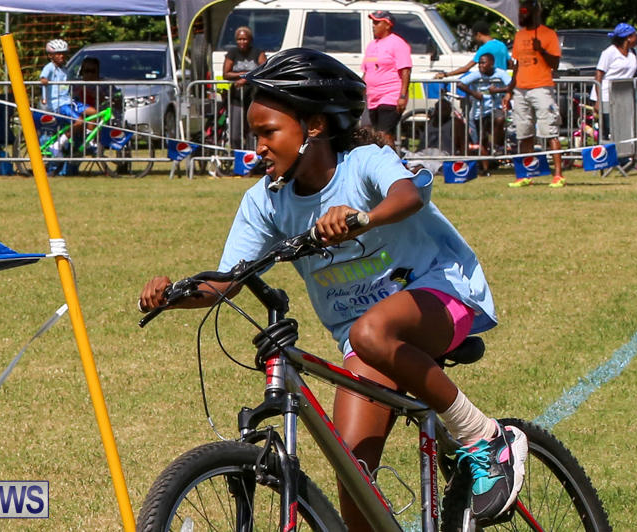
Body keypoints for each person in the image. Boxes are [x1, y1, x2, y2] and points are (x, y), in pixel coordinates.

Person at [138, 48, 528, 531]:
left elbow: (407, 195)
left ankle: (485, 437)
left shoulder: (363, 162)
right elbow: (227, 281)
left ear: (315, 126)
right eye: (255, 136)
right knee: (353, 475)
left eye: (268, 133)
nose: (258, 147)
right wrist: (173, 293)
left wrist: (362, 218)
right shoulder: (265, 201)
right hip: (366, 340)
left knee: (370, 332)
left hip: (441, 293)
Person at [503, 0, 565, 188]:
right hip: (521, 89)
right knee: (523, 133)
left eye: (524, 12)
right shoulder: (519, 35)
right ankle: (525, 175)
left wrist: (541, 50)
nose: (521, 15)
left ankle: (558, 175)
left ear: (534, 12)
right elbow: (517, 65)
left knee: (550, 131)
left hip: (541, 88)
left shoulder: (548, 34)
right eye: (520, 13)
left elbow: (555, 64)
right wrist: (509, 91)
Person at [591, 23, 637, 140]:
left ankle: (622, 150)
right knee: (609, 129)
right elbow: (599, 74)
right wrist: (598, 100)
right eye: (635, 36)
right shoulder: (609, 52)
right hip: (606, 96)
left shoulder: (634, 52)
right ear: (628, 37)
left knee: (622, 127)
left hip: (623, 96)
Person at [361, 10, 411, 148]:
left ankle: (391, 160)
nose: (373, 25)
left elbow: (406, 71)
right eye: (373, 22)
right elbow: (366, 71)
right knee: (374, 136)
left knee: (385, 135)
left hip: (390, 95)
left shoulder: (398, 43)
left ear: (388, 25)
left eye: (377, 22)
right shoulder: (371, 45)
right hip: (372, 98)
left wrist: (402, 96)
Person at [457, 53, 512, 174]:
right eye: (479, 63)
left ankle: (496, 145)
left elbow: (511, 86)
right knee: (482, 140)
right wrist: (474, 93)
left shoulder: (500, 73)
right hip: (479, 111)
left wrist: (497, 90)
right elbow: (460, 83)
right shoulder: (476, 74)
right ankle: (485, 168)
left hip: (495, 107)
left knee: (500, 119)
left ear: (491, 63)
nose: (480, 65)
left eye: (483, 63)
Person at [39, 38, 93, 153]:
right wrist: (44, 81)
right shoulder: (50, 67)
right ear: (50, 56)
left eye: (63, 53)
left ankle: (88, 140)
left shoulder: (64, 69)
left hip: (69, 101)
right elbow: (43, 77)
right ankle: (58, 144)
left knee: (93, 112)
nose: (61, 56)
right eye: (58, 54)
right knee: (79, 121)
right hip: (59, 104)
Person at [222, 26, 267, 150]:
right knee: (235, 134)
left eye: (245, 39)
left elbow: (264, 71)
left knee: (252, 132)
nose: (242, 42)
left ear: (250, 40)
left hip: (254, 98)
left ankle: (251, 157)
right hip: (236, 98)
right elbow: (226, 74)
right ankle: (237, 155)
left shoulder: (258, 53)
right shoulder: (232, 53)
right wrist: (244, 74)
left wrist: (246, 78)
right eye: (239, 39)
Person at [436, 20, 510, 79]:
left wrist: (446, 74)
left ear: (478, 34)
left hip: (489, 82)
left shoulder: (484, 48)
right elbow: (510, 64)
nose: (474, 39)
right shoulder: (502, 45)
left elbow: (466, 68)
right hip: (502, 82)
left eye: (474, 36)